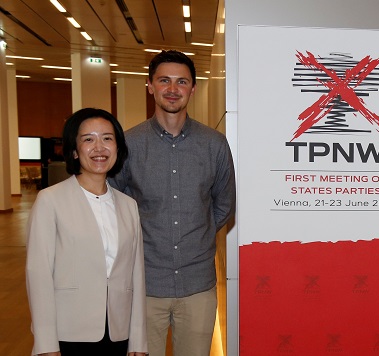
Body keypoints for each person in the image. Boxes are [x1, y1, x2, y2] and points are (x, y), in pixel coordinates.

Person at [109, 50, 236, 356]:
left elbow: (224, 205)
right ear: (150, 85)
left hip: (198, 286)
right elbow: (112, 205)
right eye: (164, 80)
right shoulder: (129, 144)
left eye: (182, 81)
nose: (172, 88)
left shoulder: (214, 144)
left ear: (192, 89)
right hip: (143, 285)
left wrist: (199, 231)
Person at [25, 108, 147, 356]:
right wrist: (46, 345)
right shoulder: (51, 200)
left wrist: (138, 339)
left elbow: (136, 275)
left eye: (107, 138)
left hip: (118, 333)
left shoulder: (128, 205)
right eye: (88, 139)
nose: (99, 148)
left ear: (118, 148)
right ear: (74, 150)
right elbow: (38, 276)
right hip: (68, 333)